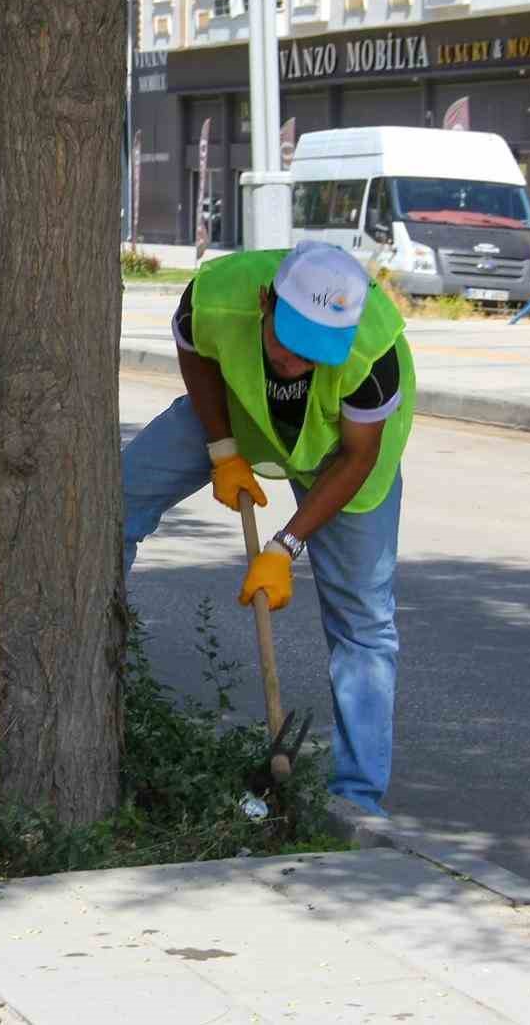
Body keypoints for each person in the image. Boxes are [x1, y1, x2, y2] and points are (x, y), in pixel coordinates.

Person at [122, 242, 415, 816]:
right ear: (265, 303)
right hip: (236, 410)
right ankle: (84, 688)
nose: (298, 363)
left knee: (363, 620)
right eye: (288, 345)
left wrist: (285, 546)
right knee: (113, 505)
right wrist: (222, 448)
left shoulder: (372, 356)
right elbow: (197, 355)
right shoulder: (212, 298)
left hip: (339, 452)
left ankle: (356, 797)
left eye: (315, 355)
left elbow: (356, 460)